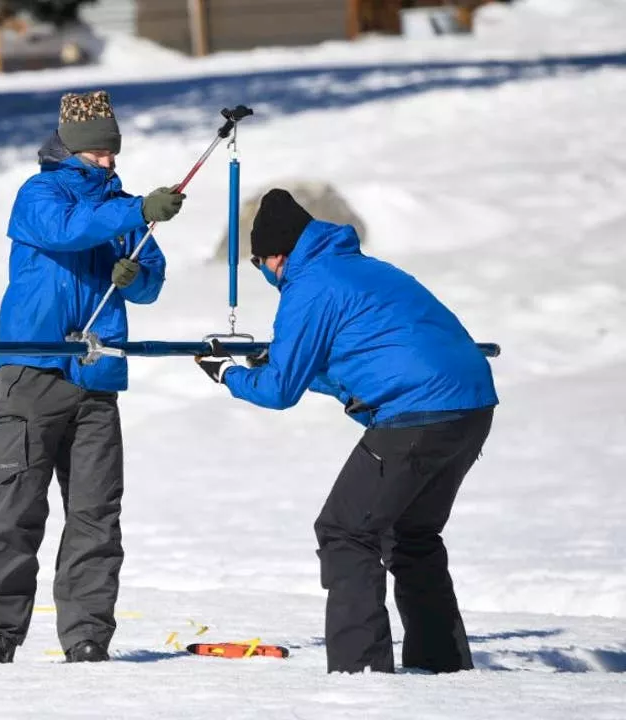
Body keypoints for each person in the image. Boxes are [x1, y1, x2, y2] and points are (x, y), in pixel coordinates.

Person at [195, 188, 498, 674]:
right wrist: (279, 362)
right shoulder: (364, 270)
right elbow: (355, 363)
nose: (267, 276)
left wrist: (227, 372)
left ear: (276, 255)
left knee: (346, 532)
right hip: (470, 407)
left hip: (415, 413)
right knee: (412, 534)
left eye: (260, 266)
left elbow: (278, 392)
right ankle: (443, 667)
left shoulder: (309, 284)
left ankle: (361, 674)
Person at [0, 90, 186, 664]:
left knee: (96, 514)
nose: (108, 161)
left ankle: (88, 634)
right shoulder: (39, 193)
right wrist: (136, 212)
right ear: (70, 147)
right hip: (32, 369)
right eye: (96, 153)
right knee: (19, 508)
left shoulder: (121, 205)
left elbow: (150, 284)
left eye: (112, 151)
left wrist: (133, 272)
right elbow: (68, 231)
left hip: (96, 373)